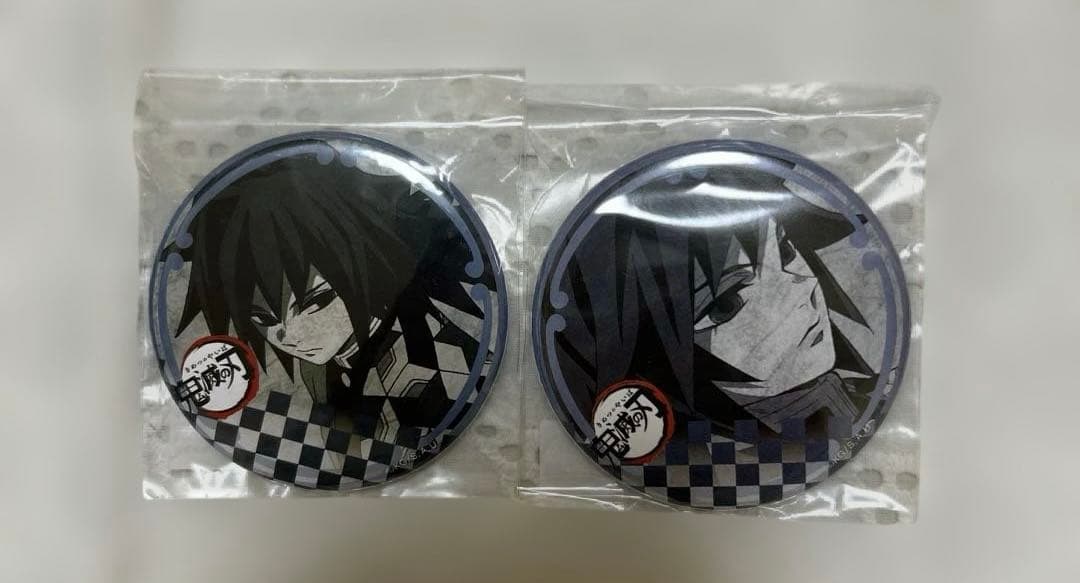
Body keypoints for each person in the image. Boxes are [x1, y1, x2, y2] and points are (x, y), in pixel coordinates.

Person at [171, 150, 494, 444]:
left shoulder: (423, 353)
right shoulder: (320, 369)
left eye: (317, 301)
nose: (289, 335)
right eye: (264, 318)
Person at [551, 162, 878, 439]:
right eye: (727, 303)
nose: (802, 287)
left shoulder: (861, 396)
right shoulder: (701, 459)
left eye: (787, 250)